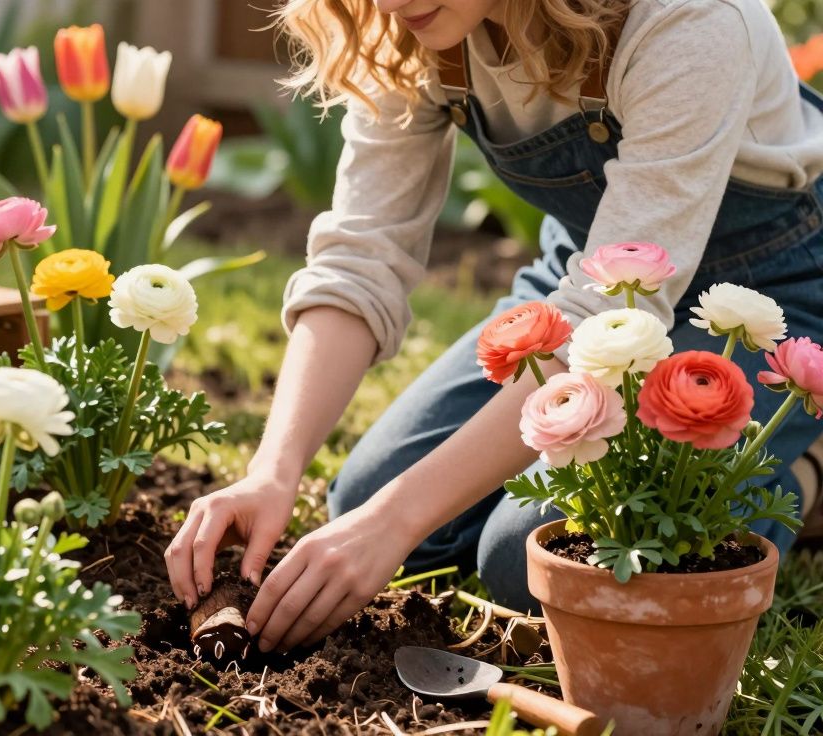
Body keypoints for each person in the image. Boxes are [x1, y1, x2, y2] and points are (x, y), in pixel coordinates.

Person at [164, 0, 823, 656]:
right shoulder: (407, 26)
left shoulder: (691, 21)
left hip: (768, 305)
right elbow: (360, 261)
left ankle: (806, 466)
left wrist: (391, 522)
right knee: (367, 501)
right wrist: (272, 472)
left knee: (528, 566)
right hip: (587, 280)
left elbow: (611, 322)